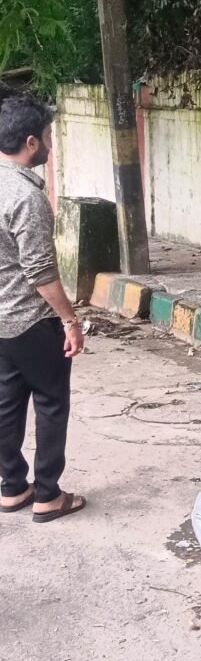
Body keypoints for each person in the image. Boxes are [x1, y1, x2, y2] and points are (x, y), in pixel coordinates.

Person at [0, 88, 86, 523]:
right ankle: (48, 495)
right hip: (29, 320)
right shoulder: (24, 196)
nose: (50, 146)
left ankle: (12, 487)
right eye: (48, 137)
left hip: (0, 323)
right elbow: (40, 273)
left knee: (7, 402)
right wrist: (70, 320)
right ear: (31, 142)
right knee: (51, 402)